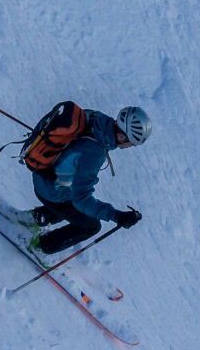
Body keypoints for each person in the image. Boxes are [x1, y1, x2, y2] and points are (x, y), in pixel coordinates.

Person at [27, 105, 150, 253]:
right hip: (50, 190)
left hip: (42, 173)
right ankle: (40, 247)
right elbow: (81, 198)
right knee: (90, 225)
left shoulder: (97, 119)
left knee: (75, 207)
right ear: (122, 136)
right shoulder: (95, 152)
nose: (131, 146)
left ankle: (31, 219)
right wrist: (116, 215)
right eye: (132, 142)